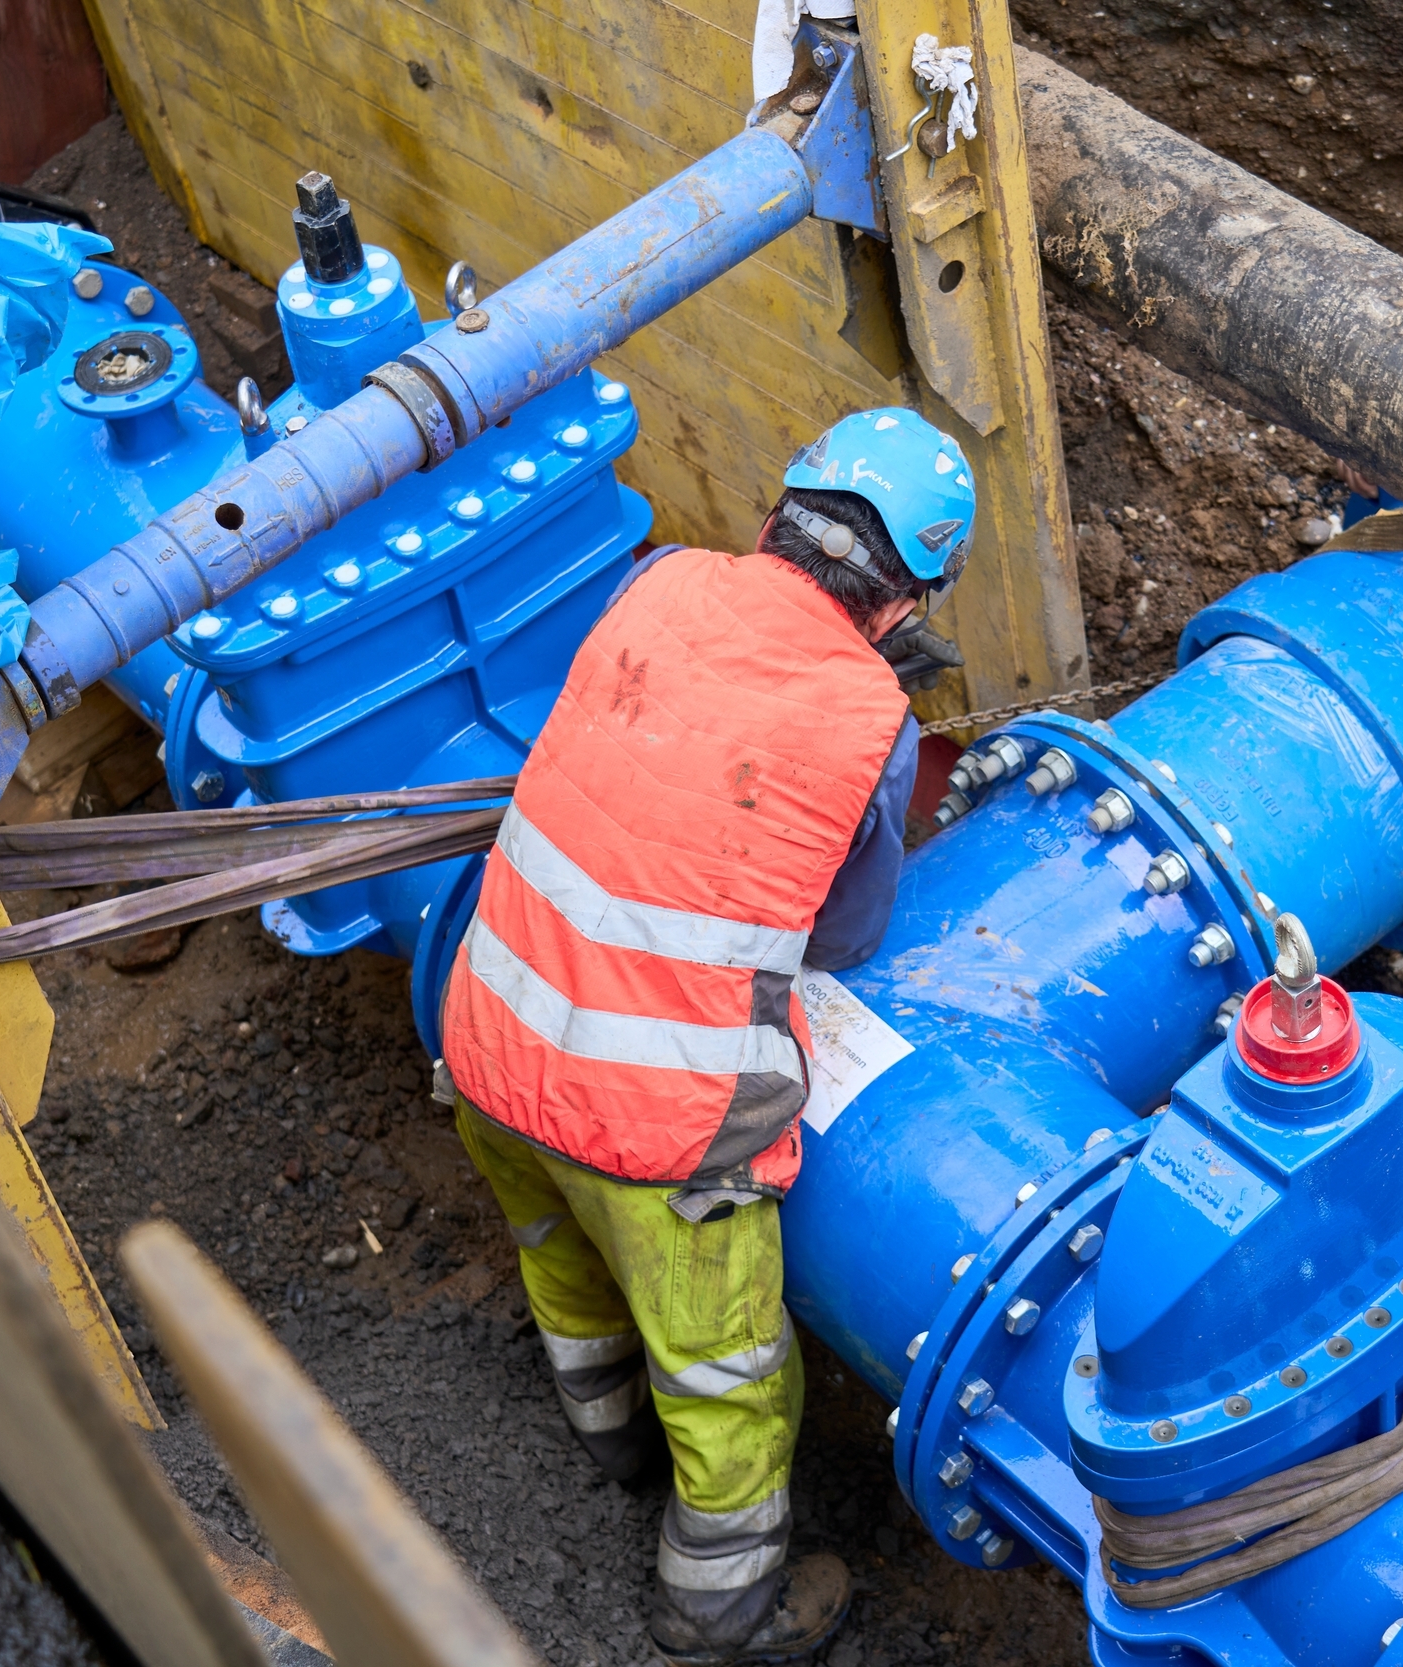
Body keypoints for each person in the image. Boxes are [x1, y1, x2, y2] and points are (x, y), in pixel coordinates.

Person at [438, 408, 975, 1667]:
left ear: (769, 521)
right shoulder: (868, 720)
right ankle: (720, 1611)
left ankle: (606, 1436)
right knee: (731, 1379)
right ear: (902, 608)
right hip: (654, 1130)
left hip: (489, 1032)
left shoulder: (661, 580)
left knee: (559, 1258)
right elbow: (840, 938)